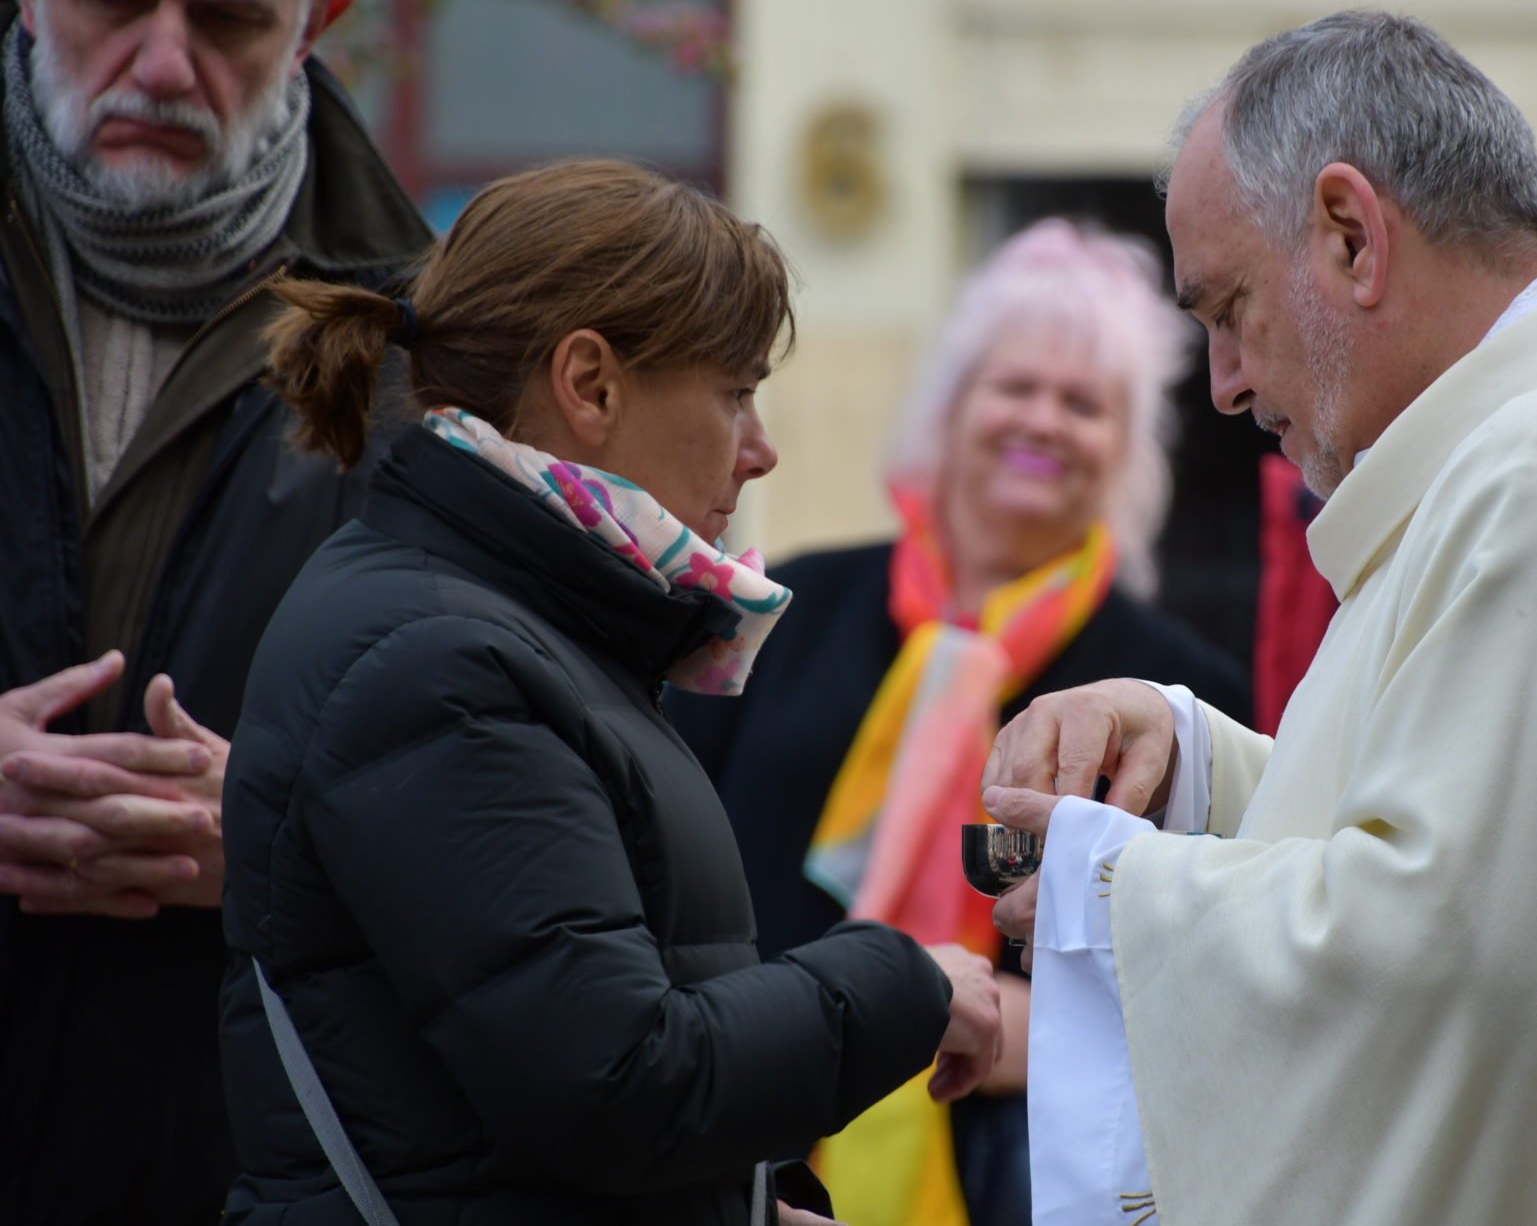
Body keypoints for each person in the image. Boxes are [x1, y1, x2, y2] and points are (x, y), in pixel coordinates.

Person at [981, 11, 1537, 1224]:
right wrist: (1195, 767)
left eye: (1228, 307)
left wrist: (1110, 895)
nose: (1225, 383)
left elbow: (1444, 953)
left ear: (1351, 237)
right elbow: (1524, 858)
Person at [219, 158, 1004, 1225]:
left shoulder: (510, 625)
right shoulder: (441, 660)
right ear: (589, 385)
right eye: (735, 393)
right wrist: (903, 983)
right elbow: (619, 1084)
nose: (761, 450)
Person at [666, 218, 1250, 1226]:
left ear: (1126, 450)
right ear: (950, 409)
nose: (1043, 421)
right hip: (742, 1135)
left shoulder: (1172, 695)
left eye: (1083, 403)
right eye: (1013, 387)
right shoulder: (786, 610)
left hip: (1016, 1174)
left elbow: (1209, 975)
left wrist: (1012, 1027)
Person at [0, 0, 434, 1220]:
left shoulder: (438, 368)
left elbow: (532, 814)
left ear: (319, 20)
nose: (164, 64)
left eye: (230, 19)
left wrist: (296, 843)